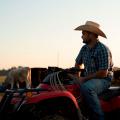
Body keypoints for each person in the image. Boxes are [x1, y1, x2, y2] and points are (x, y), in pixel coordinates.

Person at [74, 21, 113, 120]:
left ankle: (99, 117)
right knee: (71, 85)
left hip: (104, 79)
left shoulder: (102, 49)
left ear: (91, 34)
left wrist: (83, 79)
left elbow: (103, 73)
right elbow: (78, 63)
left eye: (83, 33)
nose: (81, 36)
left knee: (87, 88)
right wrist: (77, 77)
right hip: (90, 78)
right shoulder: (84, 49)